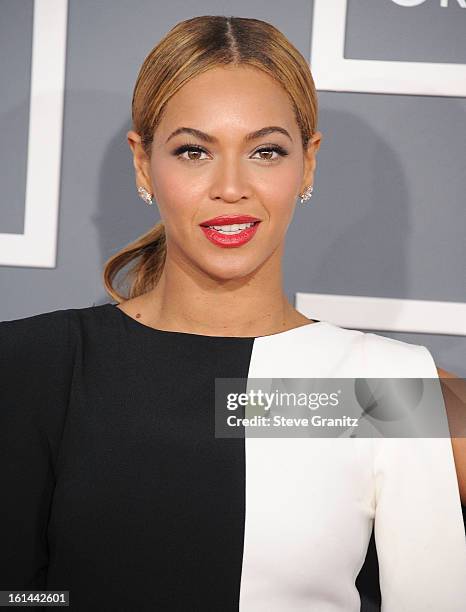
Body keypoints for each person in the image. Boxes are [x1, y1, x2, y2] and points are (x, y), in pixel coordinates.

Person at [1, 15, 465, 612]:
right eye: (193, 151)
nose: (230, 187)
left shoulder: (367, 388)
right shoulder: (39, 365)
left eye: (266, 151)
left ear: (309, 162)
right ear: (143, 164)